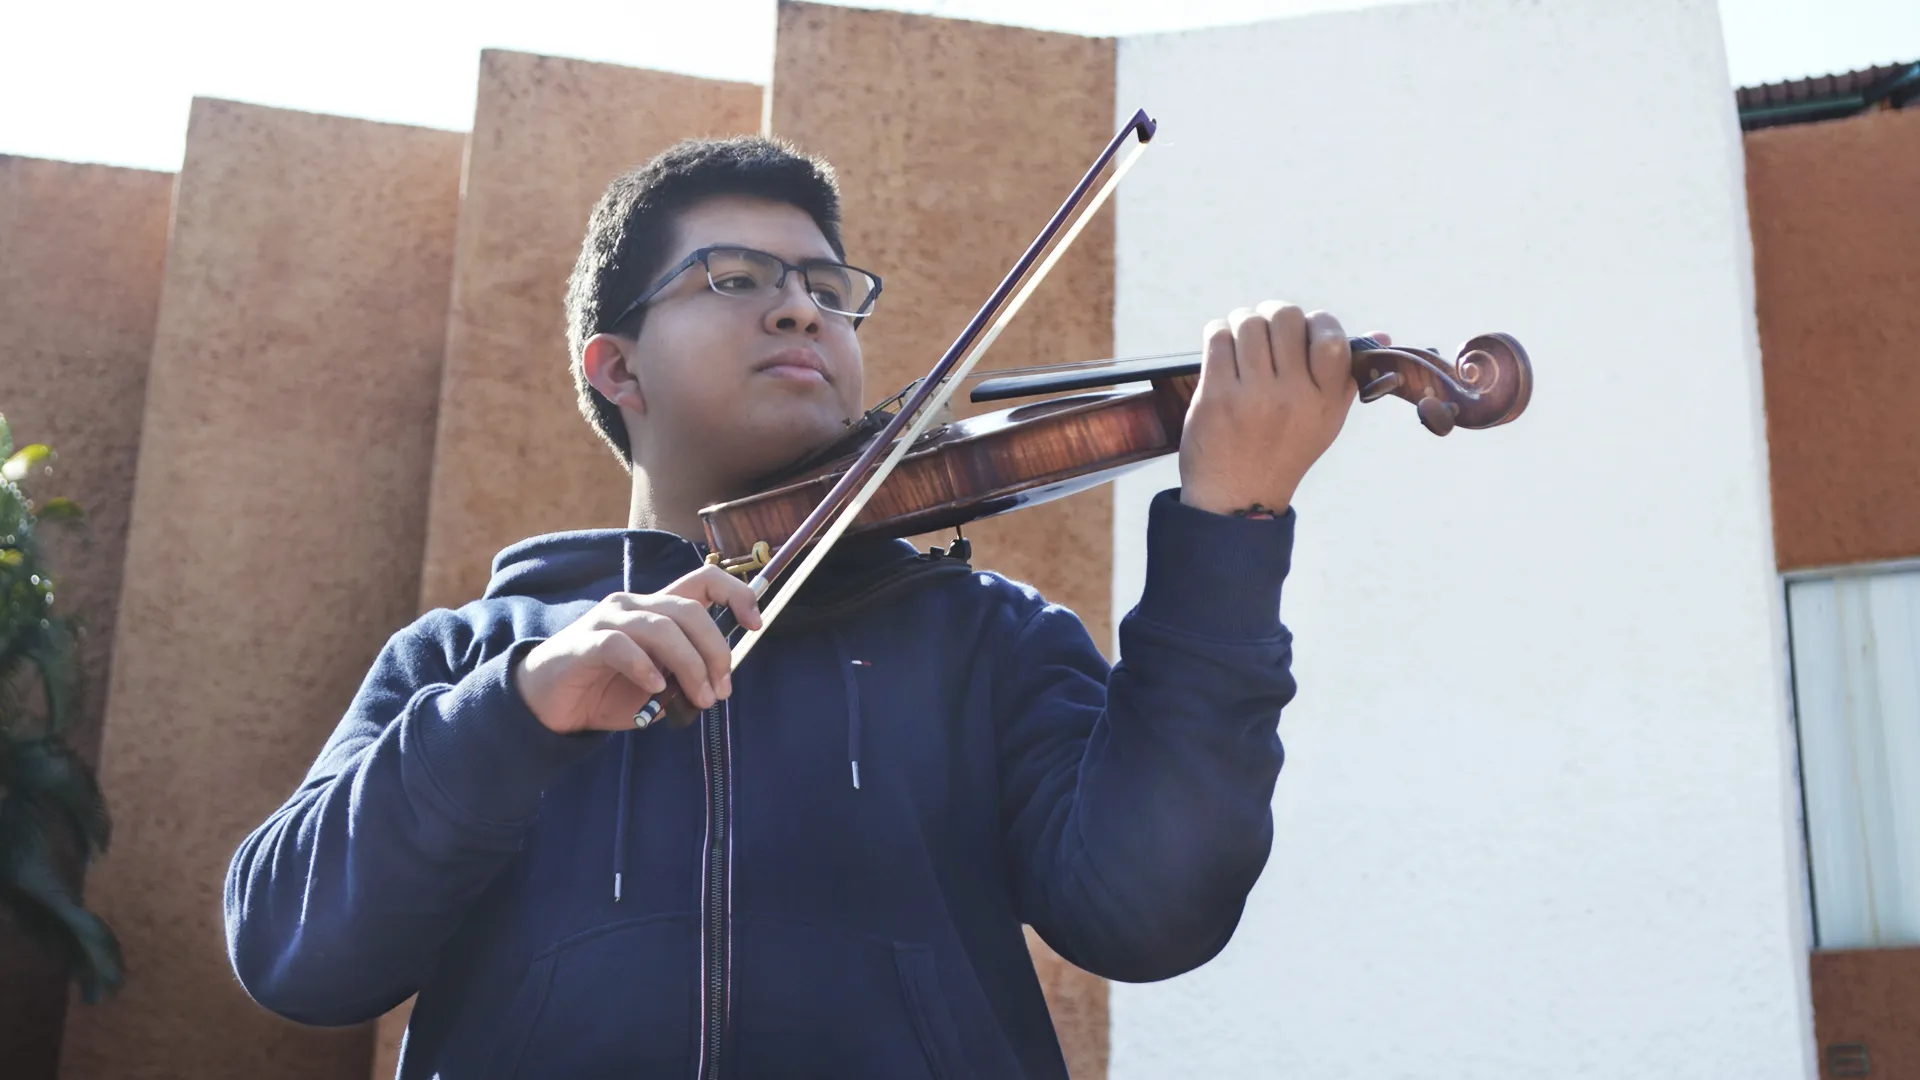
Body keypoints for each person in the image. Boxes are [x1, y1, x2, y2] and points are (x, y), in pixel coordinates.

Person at [224, 134, 1380, 1079]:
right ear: (614, 369)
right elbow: (293, 954)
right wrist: (516, 711)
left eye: (827, 289)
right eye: (736, 279)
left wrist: (1230, 529)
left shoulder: (987, 637)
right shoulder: (471, 656)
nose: (801, 311)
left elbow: (1153, 910)